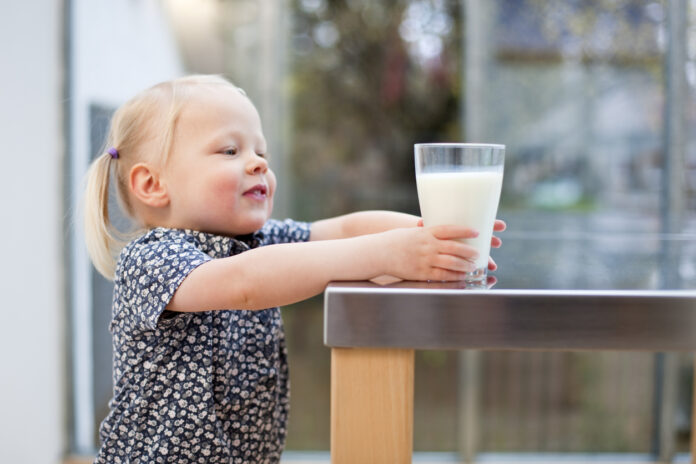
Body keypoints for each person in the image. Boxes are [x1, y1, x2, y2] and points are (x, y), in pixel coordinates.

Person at [83, 74, 505, 463]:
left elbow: (344, 229)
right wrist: (386, 254)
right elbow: (245, 283)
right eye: (230, 151)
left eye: (261, 151)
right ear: (153, 185)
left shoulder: (257, 241)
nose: (258, 163)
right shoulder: (151, 258)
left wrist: (435, 238)